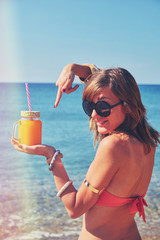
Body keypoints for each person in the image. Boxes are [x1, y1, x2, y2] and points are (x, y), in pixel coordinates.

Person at [11, 63, 160, 240]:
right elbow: (105, 82)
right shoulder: (148, 141)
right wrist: (72, 68)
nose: (95, 115)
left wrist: (51, 156)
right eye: (89, 107)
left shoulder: (113, 145)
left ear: (127, 105)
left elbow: (75, 208)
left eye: (103, 108)